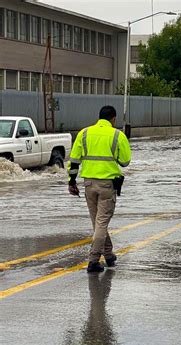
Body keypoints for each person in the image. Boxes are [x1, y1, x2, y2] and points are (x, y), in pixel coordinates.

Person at [68, 106, 131, 273]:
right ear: (113, 119)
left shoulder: (84, 133)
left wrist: (71, 181)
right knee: (101, 223)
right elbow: (125, 162)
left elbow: (74, 160)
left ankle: (109, 255)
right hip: (107, 185)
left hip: (88, 184)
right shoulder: (117, 135)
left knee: (98, 222)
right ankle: (93, 260)